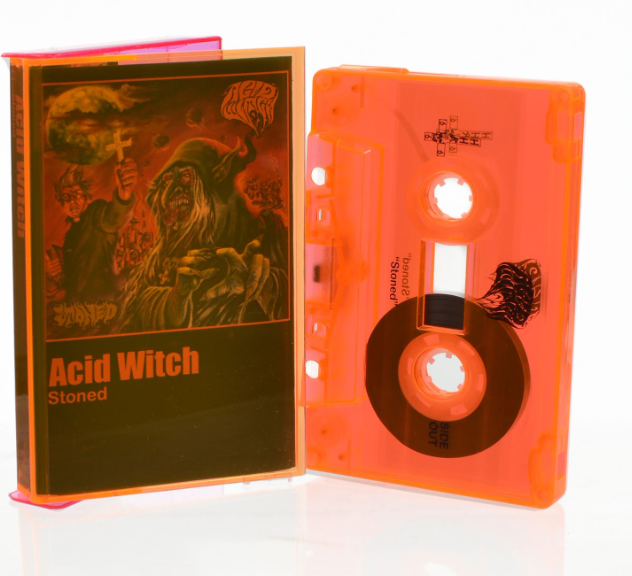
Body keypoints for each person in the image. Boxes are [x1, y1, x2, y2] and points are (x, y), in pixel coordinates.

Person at [47, 159, 138, 302]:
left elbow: (113, 218)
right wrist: (56, 273)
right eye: (66, 197)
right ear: (62, 203)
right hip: (78, 306)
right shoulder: (71, 237)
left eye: (76, 194)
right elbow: (73, 281)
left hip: (105, 302)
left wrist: (123, 196)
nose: (72, 201)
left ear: (86, 197)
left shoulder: (96, 214)